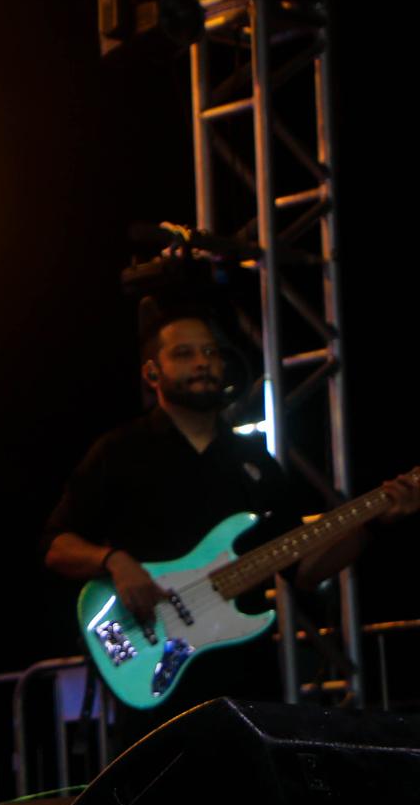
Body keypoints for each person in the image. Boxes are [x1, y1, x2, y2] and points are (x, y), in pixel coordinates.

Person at [43, 304, 419, 747]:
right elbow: (56, 545)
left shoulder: (255, 462)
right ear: (152, 372)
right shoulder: (118, 451)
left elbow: (304, 568)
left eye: (210, 353)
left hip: (244, 683)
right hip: (156, 683)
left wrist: (372, 524)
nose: (203, 362)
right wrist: (113, 560)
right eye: (184, 353)